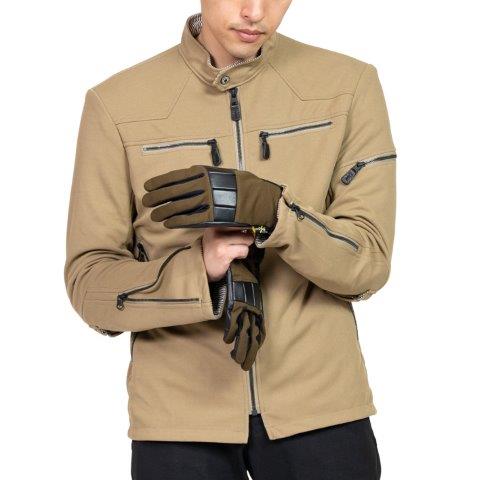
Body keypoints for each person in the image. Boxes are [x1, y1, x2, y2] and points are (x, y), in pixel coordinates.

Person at [64, 1, 396, 478]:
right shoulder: (116, 104)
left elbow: (368, 264)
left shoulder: (349, 86)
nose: (255, 11)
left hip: (322, 410)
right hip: (178, 420)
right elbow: (90, 286)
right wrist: (198, 272)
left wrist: (274, 212)